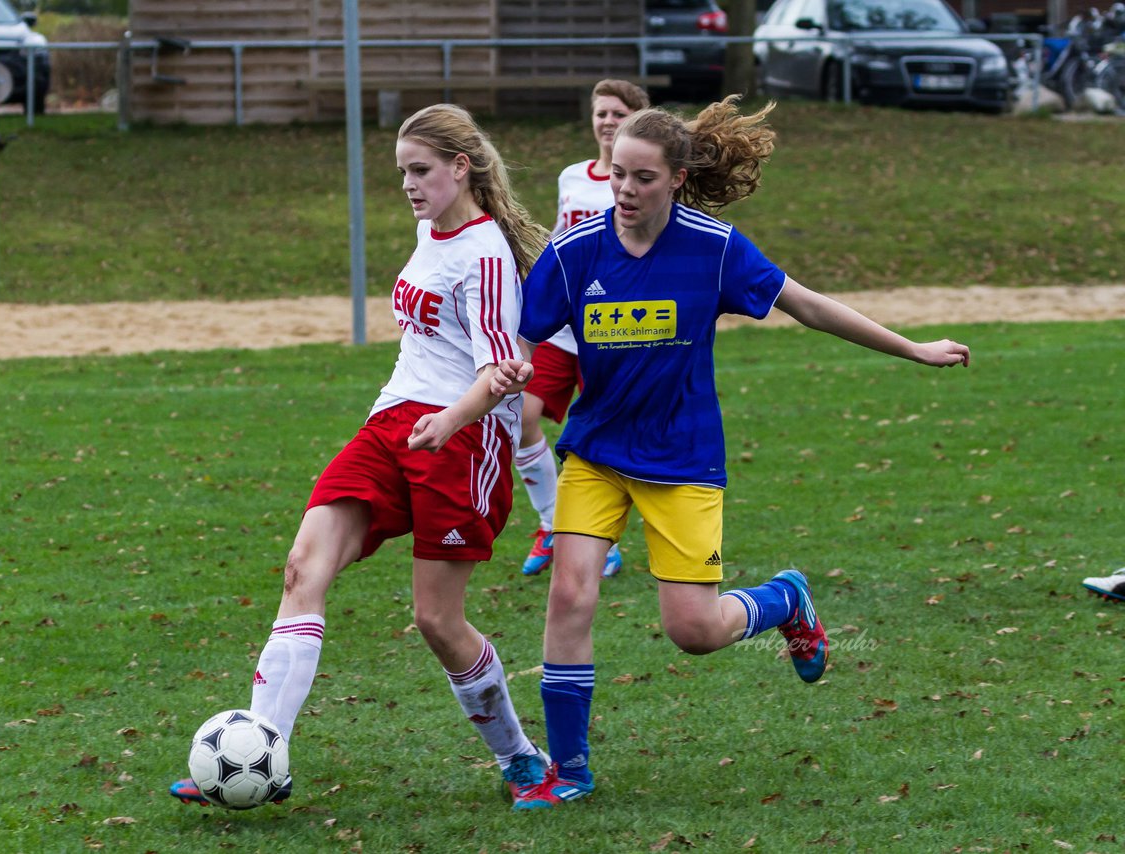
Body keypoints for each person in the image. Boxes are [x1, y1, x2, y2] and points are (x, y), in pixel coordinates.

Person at [493, 96, 971, 807]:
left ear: (678, 178)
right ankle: (570, 771)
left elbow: (804, 304)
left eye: (643, 178)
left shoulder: (713, 248)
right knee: (568, 596)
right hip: (595, 452)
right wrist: (500, 376)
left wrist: (911, 348)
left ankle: (786, 599)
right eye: (618, 175)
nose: (625, 190)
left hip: (682, 458)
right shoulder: (574, 254)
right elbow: (520, 339)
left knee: (693, 631)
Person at [170, 103, 557, 811]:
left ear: (460, 168)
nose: (408, 185)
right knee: (301, 569)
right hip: (389, 427)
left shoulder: (486, 253)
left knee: (438, 621)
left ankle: (523, 759)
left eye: (420, 171)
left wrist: (450, 420)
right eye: (402, 172)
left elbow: (506, 370)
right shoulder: (429, 231)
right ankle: (267, 752)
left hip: (461, 442)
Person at [519, 79, 650, 580]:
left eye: (619, 112)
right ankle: (552, 524)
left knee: (602, 437)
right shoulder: (572, 176)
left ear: (637, 118)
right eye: (601, 113)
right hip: (561, 327)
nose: (608, 121)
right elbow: (559, 240)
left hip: (613, 331)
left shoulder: (640, 182)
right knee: (520, 417)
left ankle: (602, 541)